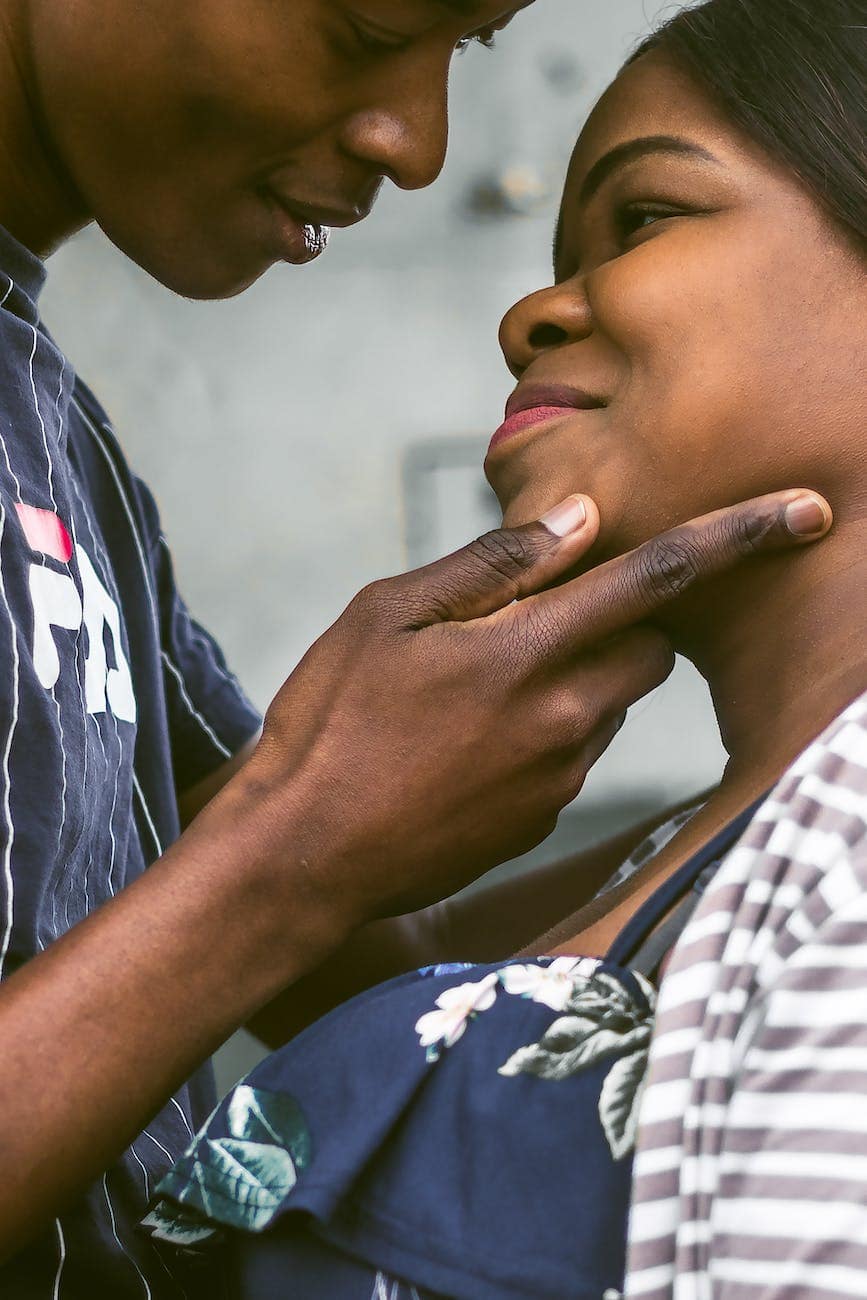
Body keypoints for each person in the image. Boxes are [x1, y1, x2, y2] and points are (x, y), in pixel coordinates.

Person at [0, 0, 835, 1294]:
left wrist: (738, 826)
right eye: (373, 21)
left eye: (644, 220)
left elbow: (363, 952)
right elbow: (277, 881)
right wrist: (293, 847)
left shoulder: (64, 446)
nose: (421, 145)